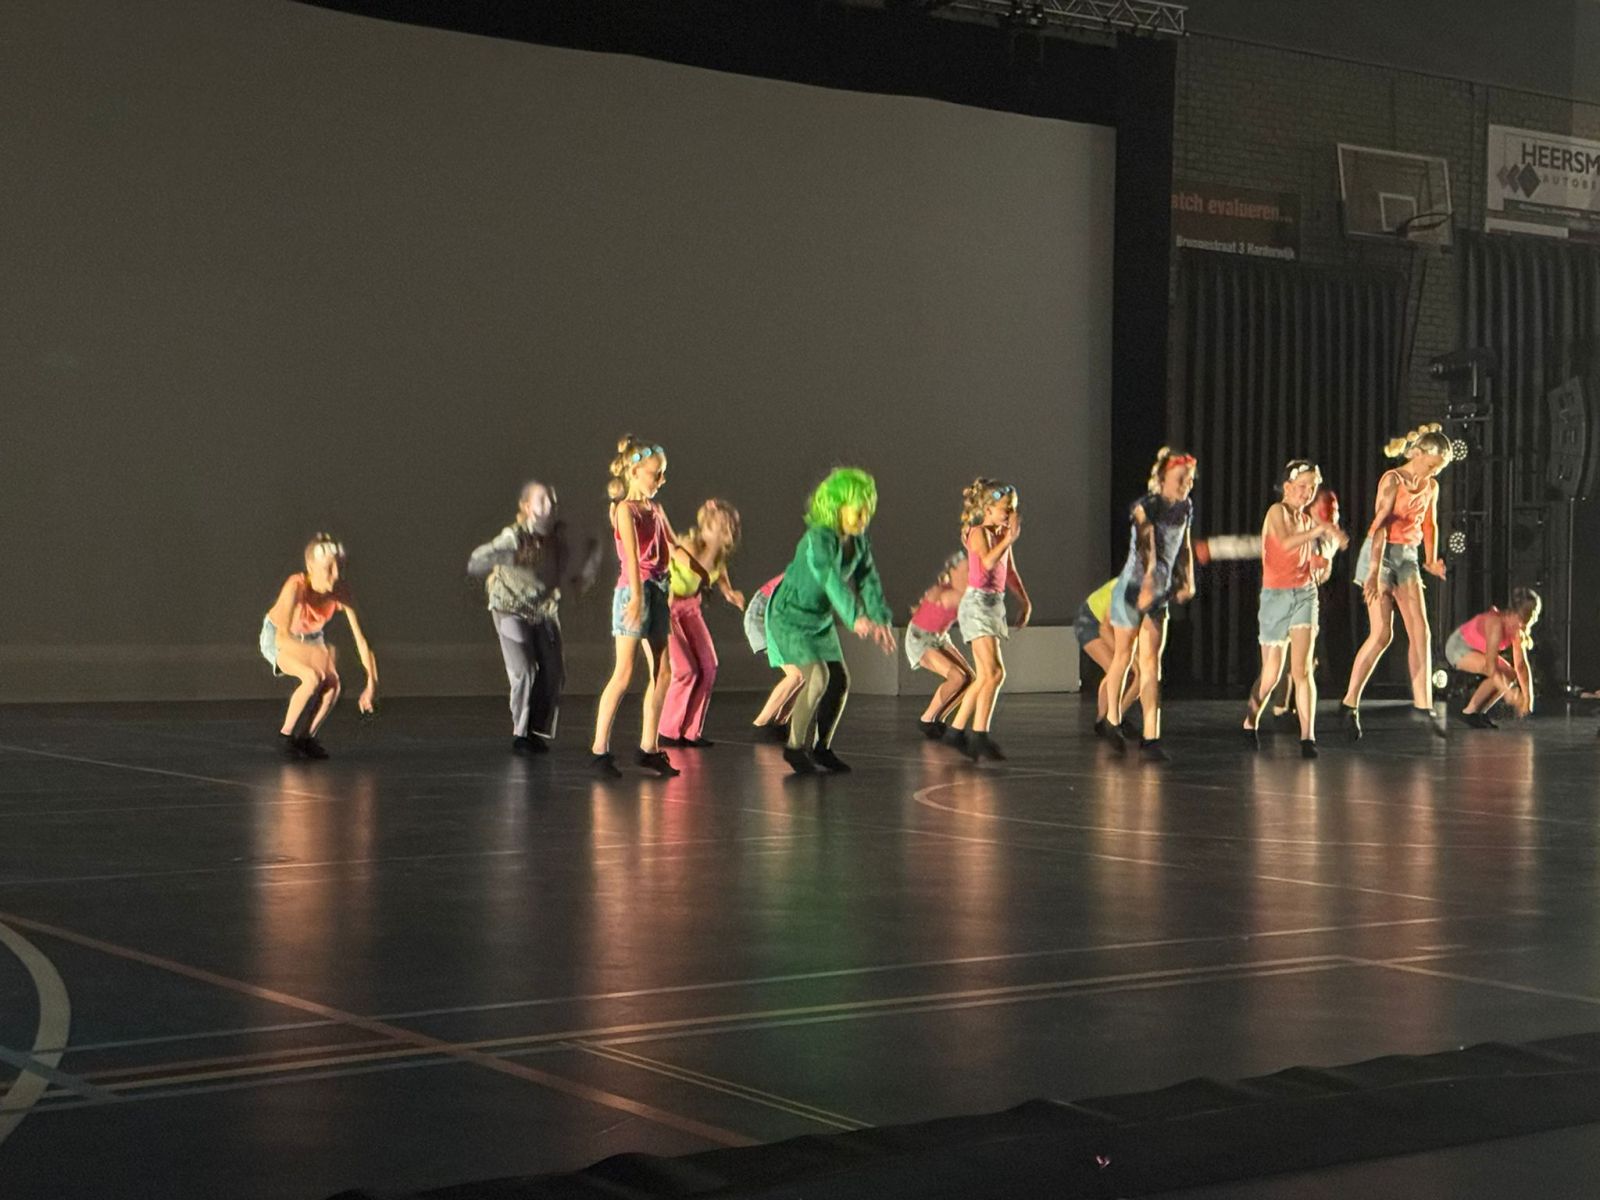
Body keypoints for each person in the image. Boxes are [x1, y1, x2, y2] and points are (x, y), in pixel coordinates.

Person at [765, 468, 896, 774]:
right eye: (858, 509)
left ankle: (822, 748)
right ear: (837, 506)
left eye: (868, 510)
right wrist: (855, 617)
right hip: (790, 616)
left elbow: (868, 579)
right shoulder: (818, 538)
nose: (864, 517)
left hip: (819, 620)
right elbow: (829, 578)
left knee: (839, 681)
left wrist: (880, 618)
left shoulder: (858, 542)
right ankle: (794, 747)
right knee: (817, 677)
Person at [467, 481, 599, 755]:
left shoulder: (561, 538)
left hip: (543, 611)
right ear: (527, 508)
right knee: (524, 669)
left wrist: (583, 574)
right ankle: (521, 733)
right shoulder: (515, 536)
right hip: (510, 608)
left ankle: (536, 730)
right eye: (541, 501)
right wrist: (506, 557)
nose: (549, 506)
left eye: (552, 500)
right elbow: (478, 559)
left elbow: (579, 566)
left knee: (554, 671)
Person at [1340, 424, 1454, 740]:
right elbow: (1379, 526)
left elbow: (1429, 524)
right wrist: (1373, 573)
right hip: (1379, 553)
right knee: (1382, 634)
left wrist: (1431, 559)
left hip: (1407, 556)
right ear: (1417, 454)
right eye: (1431, 465)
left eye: (1439, 469)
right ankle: (1349, 703)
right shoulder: (1392, 480)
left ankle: (1424, 705)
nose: (1434, 472)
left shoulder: (1431, 486)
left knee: (1421, 630)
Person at [1241, 461, 1349, 758]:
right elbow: (1287, 543)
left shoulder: (1307, 520)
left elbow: (1315, 562)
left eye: (1312, 488)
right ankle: (1250, 721)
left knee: (1302, 669)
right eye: (1302, 486)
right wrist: (1320, 528)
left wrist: (1323, 560)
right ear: (1287, 487)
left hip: (1304, 594)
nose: (1307, 493)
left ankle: (1307, 737)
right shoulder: (1276, 512)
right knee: (1272, 674)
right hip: (1275, 597)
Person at [590, 436, 682, 778]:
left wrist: (701, 570)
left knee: (664, 672)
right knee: (624, 672)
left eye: (662, 474)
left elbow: (674, 546)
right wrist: (638, 599)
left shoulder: (655, 510)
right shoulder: (625, 511)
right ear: (634, 472)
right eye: (656, 474)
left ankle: (649, 747)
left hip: (657, 591)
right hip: (634, 593)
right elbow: (630, 557)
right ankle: (600, 749)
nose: (661, 480)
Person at [1104, 448, 1198, 762]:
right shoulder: (1147, 506)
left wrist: (1187, 579)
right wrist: (1148, 582)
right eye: (1180, 478)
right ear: (1162, 479)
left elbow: (1184, 545)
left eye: (1190, 479)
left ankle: (1151, 735)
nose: (1186, 484)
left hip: (1158, 592)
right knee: (1123, 655)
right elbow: (1147, 543)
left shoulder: (1185, 507)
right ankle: (1112, 720)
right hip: (1133, 587)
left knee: (1151, 663)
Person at [259, 534, 377, 759]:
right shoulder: (296, 586)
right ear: (311, 567)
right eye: (328, 569)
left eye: (339, 568)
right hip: (278, 637)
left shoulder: (340, 592)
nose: (336, 575)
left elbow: (362, 640)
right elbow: (282, 638)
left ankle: (306, 738)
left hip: (312, 637)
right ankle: (285, 735)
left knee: (333, 685)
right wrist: (314, 654)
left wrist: (371, 684)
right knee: (312, 677)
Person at [943, 481, 1032, 761]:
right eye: (1006, 509)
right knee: (994, 673)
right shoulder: (978, 533)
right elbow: (988, 562)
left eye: (1013, 509)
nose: (1010, 514)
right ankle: (973, 733)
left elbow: (1009, 570)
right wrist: (1008, 540)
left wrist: (1024, 600)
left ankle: (964, 732)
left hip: (993, 604)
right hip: (977, 605)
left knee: (987, 675)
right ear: (988, 509)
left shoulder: (1002, 534)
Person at [660, 499, 746, 747]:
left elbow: (719, 573)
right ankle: (668, 730)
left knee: (709, 666)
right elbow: (699, 569)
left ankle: (691, 731)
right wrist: (714, 545)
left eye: (729, 528)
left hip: (690, 608)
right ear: (706, 528)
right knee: (685, 669)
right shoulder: (690, 546)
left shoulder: (718, 556)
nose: (726, 532)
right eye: (720, 526)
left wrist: (729, 592)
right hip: (668, 607)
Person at [1446, 587, 1540, 727]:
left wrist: (1528, 698)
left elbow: (1520, 665)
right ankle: (1470, 712)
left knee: (1509, 674)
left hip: (1478, 650)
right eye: (1520, 621)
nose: (1520, 627)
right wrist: (1509, 693)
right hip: (1458, 647)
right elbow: (1490, 667)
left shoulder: (1517, 630)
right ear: (1514, 614)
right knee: (1496, 672)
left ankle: (1480, 712)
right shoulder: (1495, 623)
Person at [905, 552, 974, 741]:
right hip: (920, 638)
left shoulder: (956, 590)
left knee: (970, 679)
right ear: (953, 573)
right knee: (957, 677)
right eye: (966, 571)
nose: (970, 575)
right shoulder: (953, 593)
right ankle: (926, 719)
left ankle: (938, 718)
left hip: (939, 637)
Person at [1075, 576, 1139, 739]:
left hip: (1111, 626)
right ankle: (1107, 720)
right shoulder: (1129, 586)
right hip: (1091, 623)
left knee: (1135, 673)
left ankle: (1113, 717)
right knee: (1117, 670)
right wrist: (1124, 655)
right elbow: (1105, 627)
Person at [746, 573, 803, 742]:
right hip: (764, 616)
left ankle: (780, 723)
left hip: (778, 617)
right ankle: (760, 724)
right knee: (796, 674)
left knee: (807, 674)